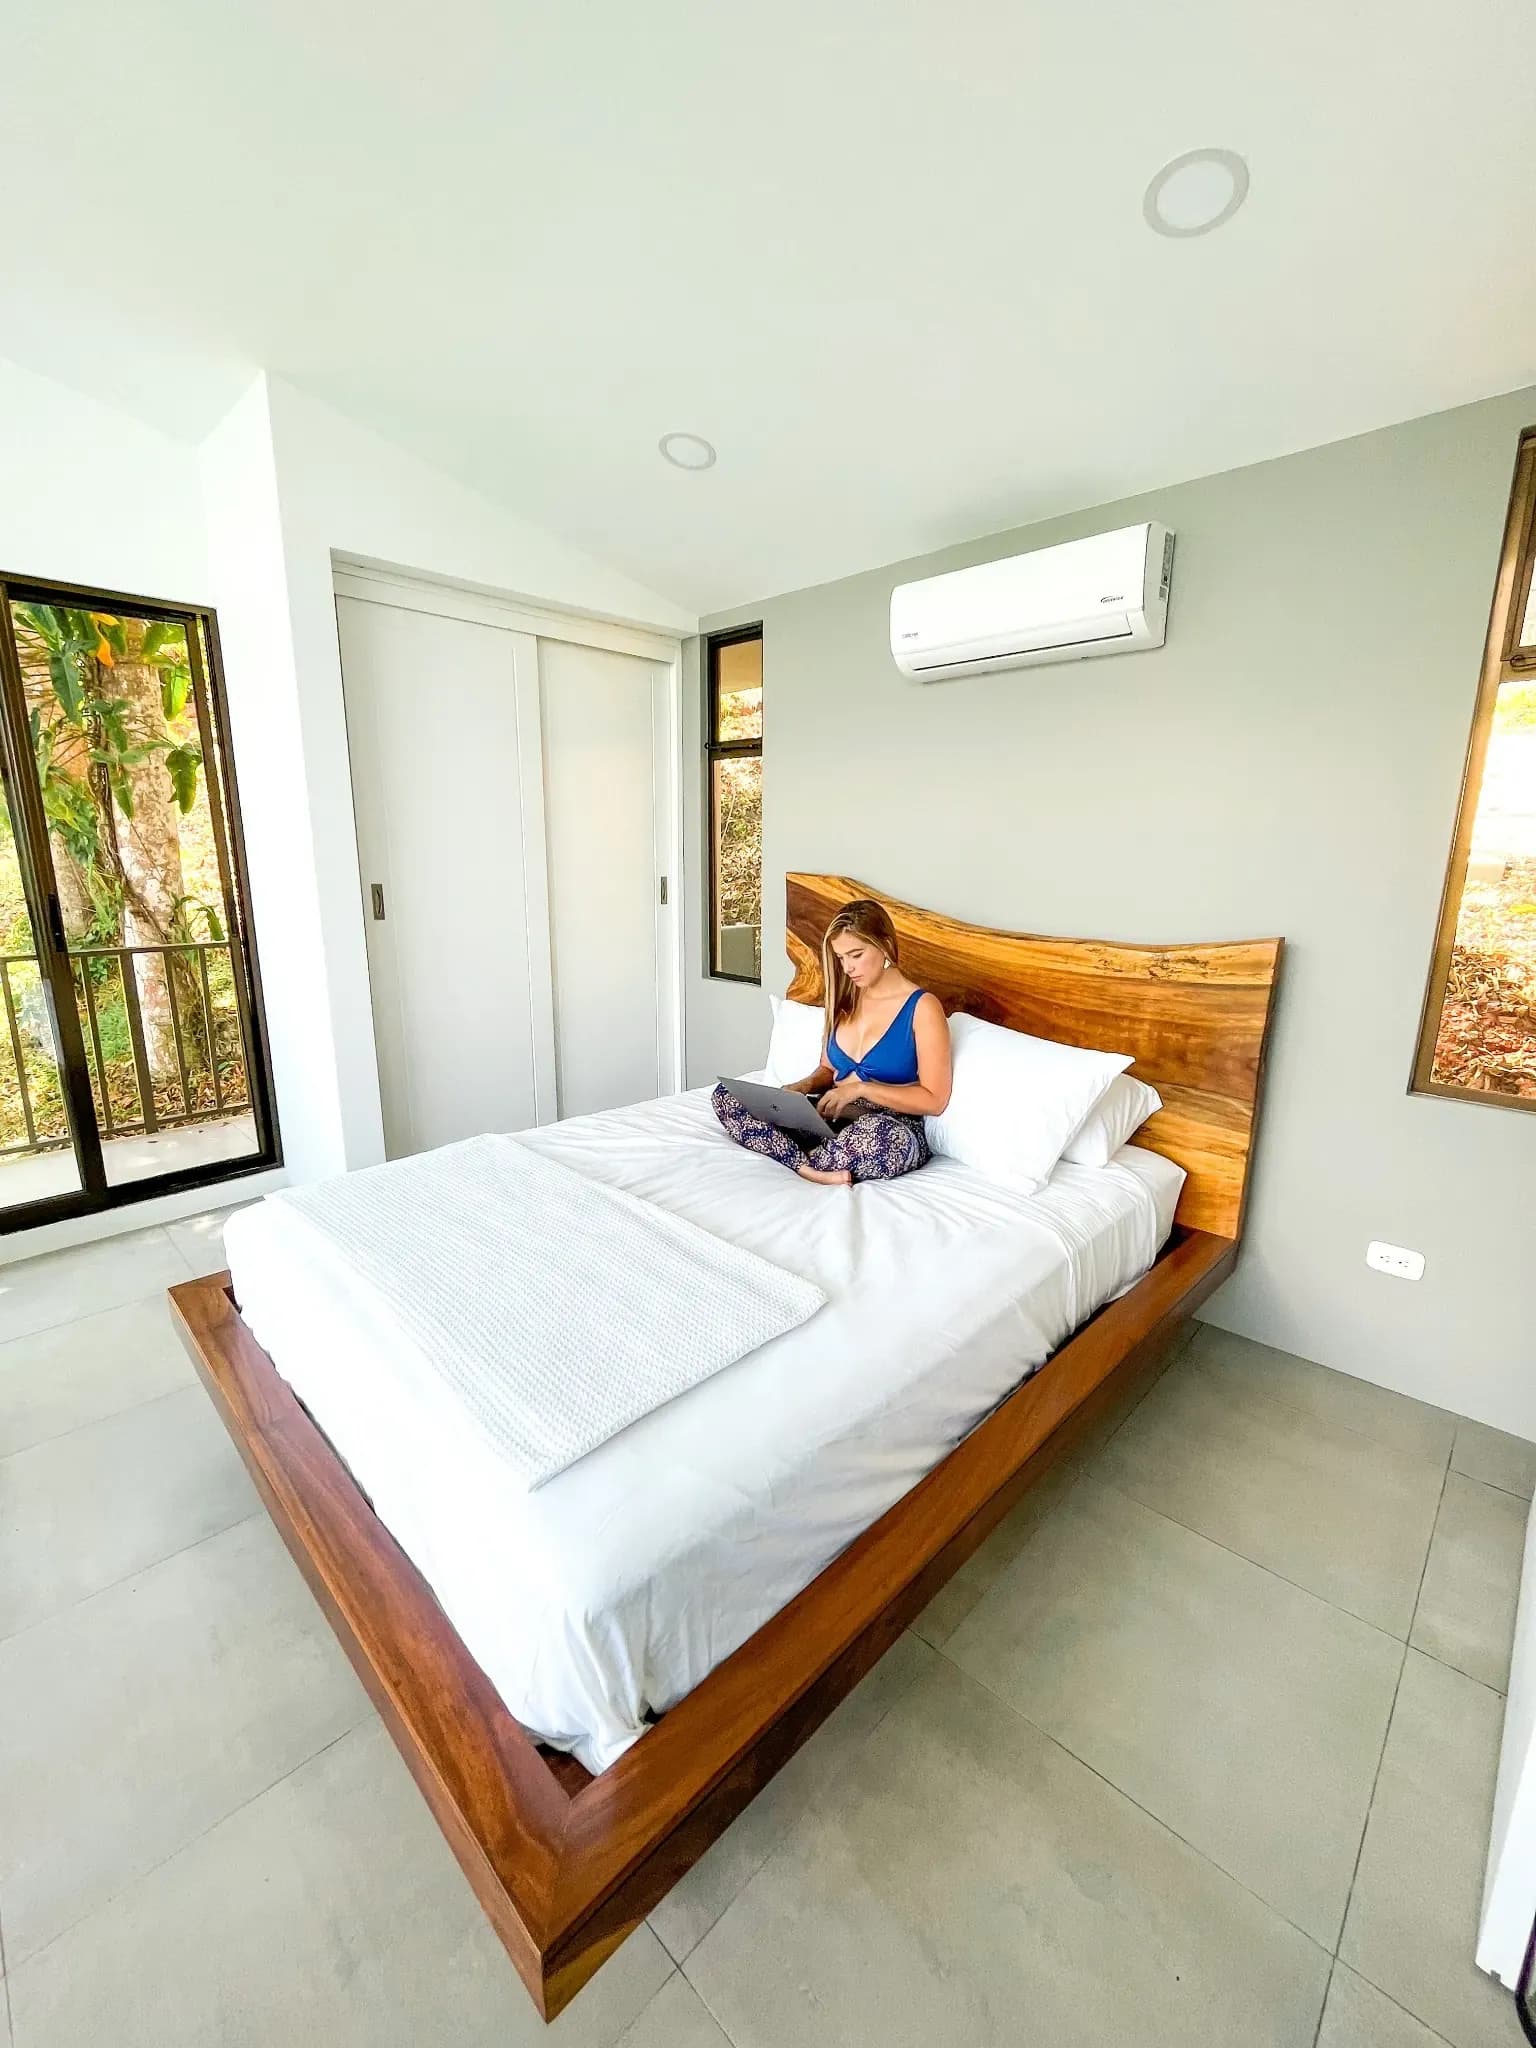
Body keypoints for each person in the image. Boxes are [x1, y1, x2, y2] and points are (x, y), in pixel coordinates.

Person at [713, 898, 952, 1186]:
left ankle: (791, 1158)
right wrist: (802, 1087)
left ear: (885, 944)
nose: (848, 967)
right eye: (840, 958)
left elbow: (934, 1099)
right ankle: (808, 1167)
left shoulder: (922, 1007)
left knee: (878, 1140)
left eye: (856, 954)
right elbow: (827, 1069)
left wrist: (861, 1089)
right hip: (832, 1117)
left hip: (889, 1126)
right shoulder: (845, 998)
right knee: (726, 1095)